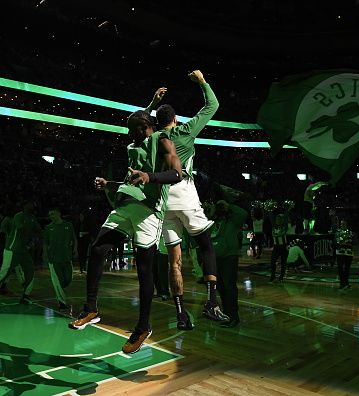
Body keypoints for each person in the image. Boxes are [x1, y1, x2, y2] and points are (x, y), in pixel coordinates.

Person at [69, 105, 183, 355]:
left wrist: (149, 177)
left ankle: (143, 326)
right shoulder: (131, 148)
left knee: (144, 270)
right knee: (98, 248)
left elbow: (177, 173)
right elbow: (133, 178)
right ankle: (91, 308)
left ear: (145, 127)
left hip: (149, 212)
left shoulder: (161, 140)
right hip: (126, 205)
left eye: (132, 130)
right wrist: (109, 184)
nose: (129, 135)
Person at [152, 70, 229, 331]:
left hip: (162, 201)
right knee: (206, 246)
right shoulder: (185, 131)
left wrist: (151, 105)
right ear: (174, 119)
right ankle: (211, 303)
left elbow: (137, 122)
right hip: (183, 193)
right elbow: (213, 105)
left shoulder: (152, 138)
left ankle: (181, 315)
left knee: (174, 260)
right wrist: (203, 81)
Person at [0, 201, 42, 306]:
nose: (32, 205)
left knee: (30, 271)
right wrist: (34, 235)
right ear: (24, 206)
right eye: (30, 204)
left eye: (33, 204)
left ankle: (25, 295)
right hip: (12, 249)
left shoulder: (33, 218)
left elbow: (39, 231)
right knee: (4, 273)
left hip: (23, 251)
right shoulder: (18, 216)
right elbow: (23, 230)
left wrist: (34, 238)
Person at [208, 200, 248, 328]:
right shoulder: (211, 222)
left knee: (229, 288)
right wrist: (210, 210)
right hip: (215, 258)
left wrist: (229, 205)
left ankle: (234, 317)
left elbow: (243, 214)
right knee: (220, 288)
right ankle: (226, 315)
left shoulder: (232, 221)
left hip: (229, 257)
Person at [43, 207, 77, 312]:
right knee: (57, 282)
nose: (51, 216)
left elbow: (74, 239)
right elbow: (45, 243)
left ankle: (60, 293)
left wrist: (76, 249)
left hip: (67, 258)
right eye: (49, 215)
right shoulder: (48, 228)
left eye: (52, 214)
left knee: (68, 280)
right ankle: (61, 303)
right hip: (54, 259)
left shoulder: (68, 225)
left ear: (59, 213)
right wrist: (44, 254)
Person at [269, 213, 288, 283]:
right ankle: (273, 275)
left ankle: (281, 276)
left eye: (279, 219)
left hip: (283, 247)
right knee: (272, 261)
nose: (277, 220)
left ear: (282, 220)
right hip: (276, 247)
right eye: (277, 219)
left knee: (283, 262)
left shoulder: (285, 227)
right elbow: (275, 234)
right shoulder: (274, 227)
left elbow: (280, 234)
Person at [335, 220, 354, 291]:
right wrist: (345, 240)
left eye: (343, 224)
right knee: (340, 268)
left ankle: (346, 283)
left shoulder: (350, 232)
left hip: (349, 253)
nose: (342, 225)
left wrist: (344, 241)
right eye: (341, 224)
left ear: (346, 224)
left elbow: (353, 241)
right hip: (340, 253)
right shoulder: (338, 232)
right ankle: (342, 284)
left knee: (347, 269)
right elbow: (337, 241)